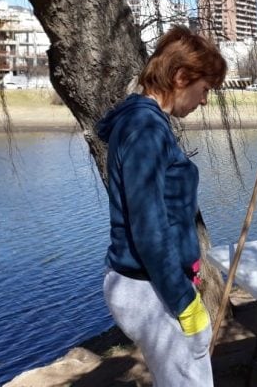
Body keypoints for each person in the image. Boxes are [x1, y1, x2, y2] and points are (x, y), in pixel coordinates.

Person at [98, 26, 227, 387]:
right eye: (204, 90)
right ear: (181, 76)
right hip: (149, 289)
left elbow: (165, 212)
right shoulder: (145, 128)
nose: (204, 101)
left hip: (154, 285)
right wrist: (185, 303)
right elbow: (149, 229)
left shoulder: (147, 122)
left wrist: (190, 267)